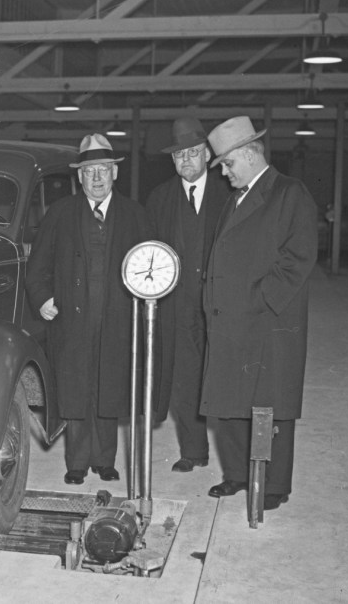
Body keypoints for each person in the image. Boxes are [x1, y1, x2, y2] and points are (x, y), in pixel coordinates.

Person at [201, 116, 318, 512]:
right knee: (230, 403)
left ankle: (272, 485)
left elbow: (298, 258)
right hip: (229, 318)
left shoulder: (289, 193)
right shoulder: (235, 198)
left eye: (228, 165)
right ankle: (236, 473)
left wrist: (258, 301)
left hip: (267, 322)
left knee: (270, 407)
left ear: (249, 154)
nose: (226, 173)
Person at [26, 133, 151, 486]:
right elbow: (38, 266)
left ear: (115, 173)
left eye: (103, 170)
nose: (96, 178)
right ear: (79, 177)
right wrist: (43, 299)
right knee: (75, 390)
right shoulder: (60, 213)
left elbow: (149, 265)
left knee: (110, 388)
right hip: (71, 319)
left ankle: (105, 459)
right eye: (89, 171)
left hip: (117, 319)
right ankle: (76, 463)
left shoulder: (134, 215)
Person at [144, 117, 232, 474]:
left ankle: (234, 463)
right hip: (177, 306)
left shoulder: (229, 194)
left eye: (193, 153)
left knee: (223, 378)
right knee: (183, 379)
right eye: (180, 155)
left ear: (207, 154)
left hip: (220, 304)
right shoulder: (159, 198)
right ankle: (193, 452)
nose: (186, 161)